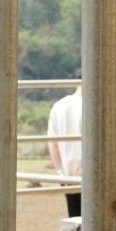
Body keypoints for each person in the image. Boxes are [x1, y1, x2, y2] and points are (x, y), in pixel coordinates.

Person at [46, 87, 83, 220]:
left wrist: (60, 172)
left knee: (75, 219)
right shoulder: (94, 104)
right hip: (90, 172)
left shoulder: (59, 105)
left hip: (67, 173)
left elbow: (52, 141)